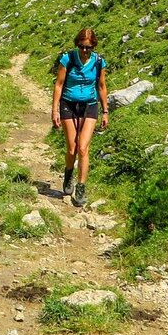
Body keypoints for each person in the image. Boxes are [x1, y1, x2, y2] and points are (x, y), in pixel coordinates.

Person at [51, 28, 109, 207]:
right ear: (77, 44)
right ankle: (69, 173)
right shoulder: (67, 59)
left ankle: (81, 187)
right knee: (72, 148)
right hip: (68, 104)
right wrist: (55, 110)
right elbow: (59, 84)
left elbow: (101, 86)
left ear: (93, 46)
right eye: (82, 46)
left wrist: (105, 111)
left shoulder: (98, 62)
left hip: (90, 106)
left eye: (88, 47)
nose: (85, 50)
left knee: (83, 148)